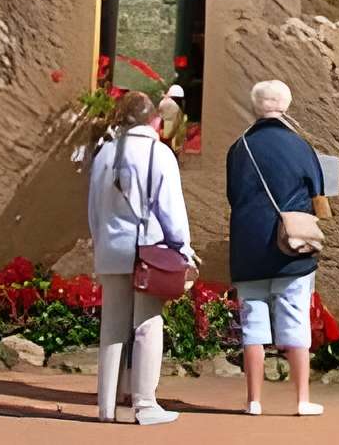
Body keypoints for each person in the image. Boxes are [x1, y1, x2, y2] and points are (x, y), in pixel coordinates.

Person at [85, 88, 192, 425]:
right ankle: (145, 404)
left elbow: (93, 209)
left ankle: (106, 406)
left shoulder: (104, 153)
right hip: (146, 249)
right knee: (147, 323)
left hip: (110, 246)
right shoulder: (159, 154)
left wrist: (101, 240)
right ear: (153, 118)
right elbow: (171, 210)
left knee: (112, 326)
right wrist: (182, 249)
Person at [224, 77, 329, 417]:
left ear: (255, 106)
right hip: (291, 249)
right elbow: (319, 196)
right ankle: (301, 400)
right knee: (295, 320)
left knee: (253, 323)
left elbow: (232, 196)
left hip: (248, 246)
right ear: (286, 105)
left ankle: (253, 400)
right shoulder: (300, 146)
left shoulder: (239, 148)